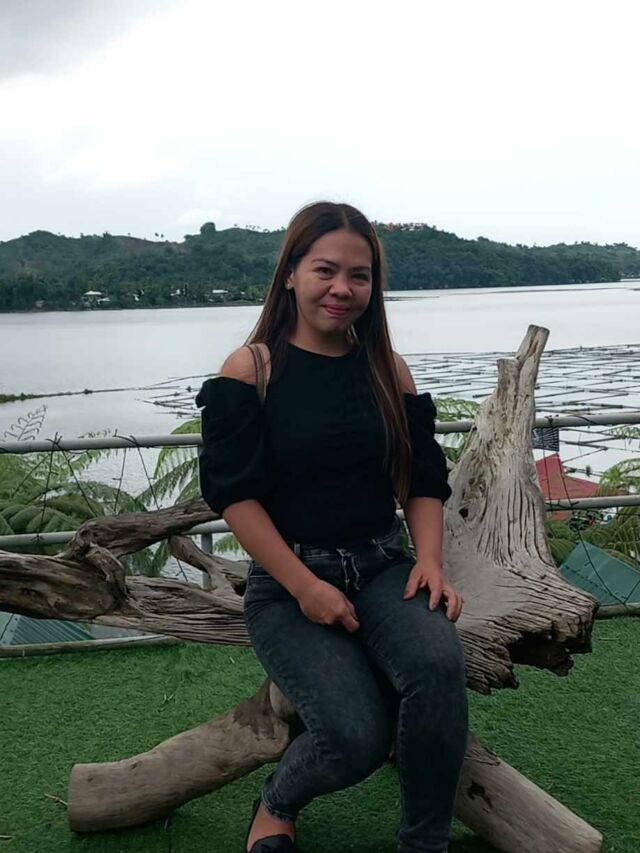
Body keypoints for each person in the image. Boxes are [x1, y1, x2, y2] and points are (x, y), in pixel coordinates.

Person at [195, 201, 468, 853]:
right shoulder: (252, 369)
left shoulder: (386, 370)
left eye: (359, 275)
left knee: (437, 664)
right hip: (288, 583)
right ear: (291, 274)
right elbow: (235, 497)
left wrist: (429, 559)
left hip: (383, 566)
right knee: (354, 735)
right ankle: (278, 802)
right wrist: (305, 587)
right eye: (325, 270)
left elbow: (421, 478)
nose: (342, 288)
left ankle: (425, 842)